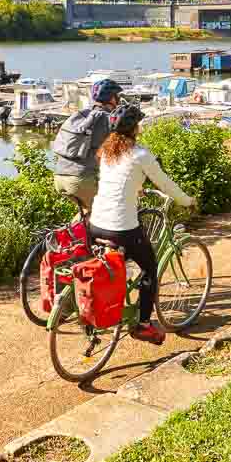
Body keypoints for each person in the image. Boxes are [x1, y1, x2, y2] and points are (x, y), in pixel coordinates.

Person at [90, 105, 195, 345]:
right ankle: (144, 325)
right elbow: (165, 185)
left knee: (115, 263)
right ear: (134, 128)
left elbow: (117, 182)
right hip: (121, 226)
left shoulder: (106, 152)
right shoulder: (141, 155)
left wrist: (135, 190)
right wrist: (187, 201)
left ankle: (115, 301)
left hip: (96, 223)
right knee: (150, 268)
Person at [51, 79, 120, 214]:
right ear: (112, 98)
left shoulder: (82, 115)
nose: (119, 99)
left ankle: (66, 235)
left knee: (88, 213)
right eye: (117, 96)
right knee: (110, 212)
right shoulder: (107, 120)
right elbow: (119, 153)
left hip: (59, 177)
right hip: (80, 180)